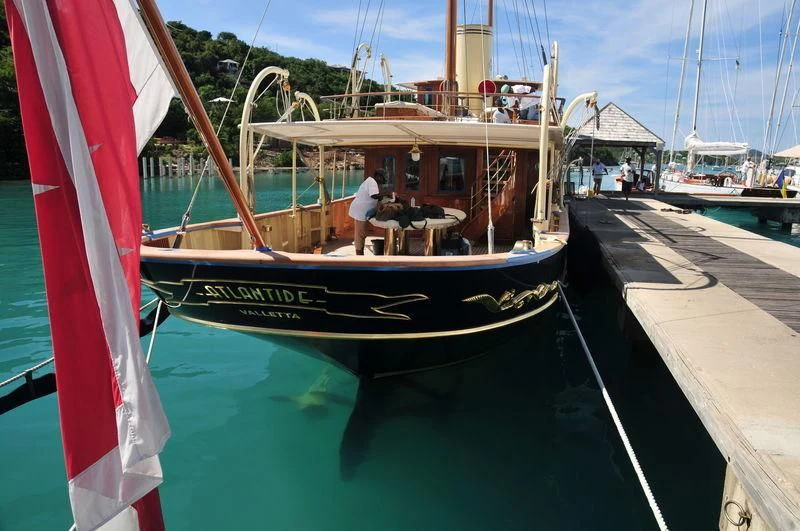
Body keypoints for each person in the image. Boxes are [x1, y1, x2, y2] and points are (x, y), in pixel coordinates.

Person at [349, 168, 385, 255]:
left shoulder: (371, 181)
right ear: (378, 177)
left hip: (363, 211)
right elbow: (374, 196)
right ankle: (359, 254)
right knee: (360, 234)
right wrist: (385, 195)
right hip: (360, 211)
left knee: (362, 233)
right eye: (382, 179)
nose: (382, 182)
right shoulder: (372, 181)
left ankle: (360, 251)